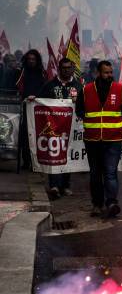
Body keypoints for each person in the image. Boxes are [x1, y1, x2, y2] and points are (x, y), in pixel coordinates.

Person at [76, 60, 122, 218]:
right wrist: (87, 119)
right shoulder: (86, 90)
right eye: (106, 72)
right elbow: (79, 109)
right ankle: (97, 204)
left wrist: (117, 122)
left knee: (110, 173)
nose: (109, 75)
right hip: (92, 139)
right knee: (95, 173)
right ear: (98, 73)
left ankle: (112, 202)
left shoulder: (120, 89)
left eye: (110, 72)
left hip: (113, 139)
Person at [33, 57, 83, 199]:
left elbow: (84, 104)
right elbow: (39, 101)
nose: (66, 70)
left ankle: (65, 185)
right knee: (54, 156)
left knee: (67, 157)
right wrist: (33, 100)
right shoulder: (50, 85)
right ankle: (54, 186)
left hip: (71, 128)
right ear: (59, 69)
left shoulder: (78, 86)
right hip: (54, 128)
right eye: (64, 68)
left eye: (69, 68)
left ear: (73, 69)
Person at [16, 49, 47, 169]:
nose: (31, 61)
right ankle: (26, 161)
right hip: (24, 107)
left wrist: (37, 97)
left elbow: (45, 88)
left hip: (38, 108)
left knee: (37, 135)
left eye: (33, 59)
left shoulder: (42, 73)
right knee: (24, 135)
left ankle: (36, 161)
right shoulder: (22, 72)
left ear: (37, 60)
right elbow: (18, 86)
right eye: (29, 59)